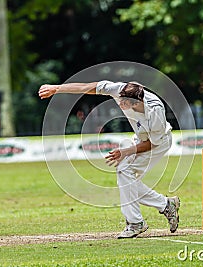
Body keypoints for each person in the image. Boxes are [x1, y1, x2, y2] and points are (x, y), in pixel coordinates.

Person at [38, 81, 180, 238]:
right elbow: (87, 87)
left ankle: (136, 223)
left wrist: (126, 151)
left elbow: (152, 143)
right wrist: (57, 89)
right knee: (126, 179)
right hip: (140, 139)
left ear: (136, 102)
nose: (120, 103)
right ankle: (165, 205)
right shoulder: (120, 90)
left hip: (157, 143)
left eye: (124, 102)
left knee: (125, 172)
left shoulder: (155, 113)